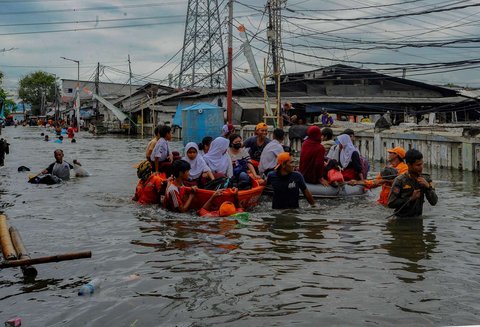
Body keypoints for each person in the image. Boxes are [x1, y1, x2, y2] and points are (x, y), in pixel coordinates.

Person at [388, 149, 438, 218]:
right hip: (401, 220)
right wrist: (410, 199)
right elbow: (391, 203)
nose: (421, 167)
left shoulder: (426, 179)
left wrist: (428, 187)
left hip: (417, 219)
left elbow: (434, 202)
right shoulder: (400, 180)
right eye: (418, 165)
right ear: (409, 165)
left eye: (422, 164)